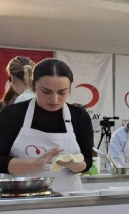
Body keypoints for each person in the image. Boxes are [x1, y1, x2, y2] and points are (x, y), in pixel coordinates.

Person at [0, 59, 93, 193]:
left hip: (68, 198)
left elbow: (88, 161)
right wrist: (33, 164)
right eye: (46, 92)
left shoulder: (79, 116)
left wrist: (74, 164)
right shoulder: (13, 114)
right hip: (22, 198)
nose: (54, 99)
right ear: (33, 86)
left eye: (62, 92)